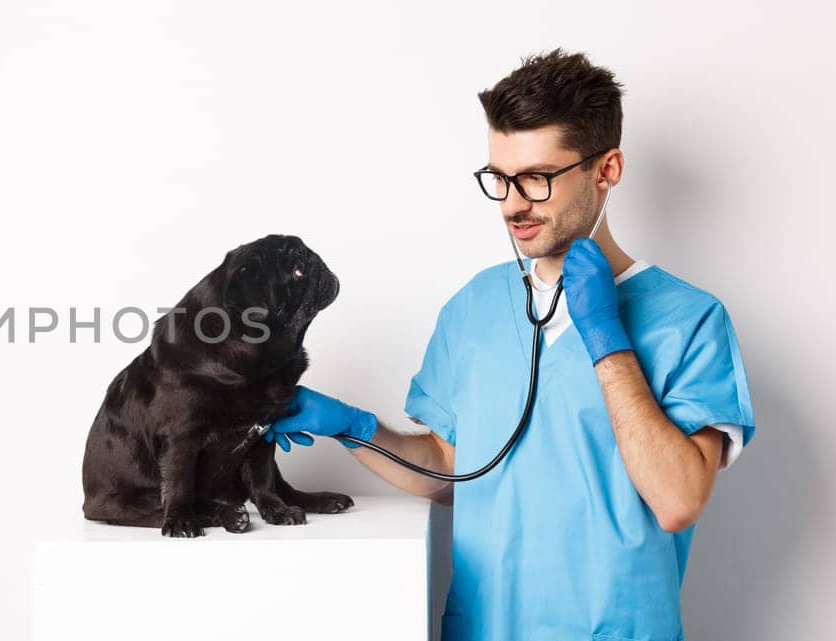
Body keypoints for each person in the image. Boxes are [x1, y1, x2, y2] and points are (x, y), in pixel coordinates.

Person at [265, 49, 755, 641]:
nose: (512, 204)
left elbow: (678, 500)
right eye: (499, 178)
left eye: (537, 178)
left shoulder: (690, 320)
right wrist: (355, 427)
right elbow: (455, 472)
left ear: (607, 170)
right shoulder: (474, 307)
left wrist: (607, 339)